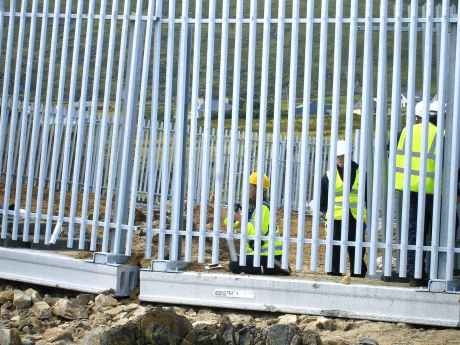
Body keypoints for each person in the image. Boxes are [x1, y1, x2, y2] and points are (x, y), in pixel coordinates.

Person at [394, 99, 439, 286]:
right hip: (431, 189)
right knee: (434, 232)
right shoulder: (438, 132)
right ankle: (432, 271)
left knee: (412, 231)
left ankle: (413, 273)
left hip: (407, 188)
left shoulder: (406, 131)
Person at [318, 140, 368, 278]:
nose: (340, 160)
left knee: (356, 246)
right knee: (335, 246)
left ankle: (358, 271)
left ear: (349, 155)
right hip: (336, 217)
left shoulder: (360, 173)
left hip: (355, 216)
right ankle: (334, 270)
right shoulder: (328, 176)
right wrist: (326, 212)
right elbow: (323, 200)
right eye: (338, 157)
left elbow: (367, 196)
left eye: (342, 156)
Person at [226, 172, 289, 275]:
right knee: (235, 260)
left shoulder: (263, 208)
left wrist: (241, 220)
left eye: (251, 187)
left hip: (269, 256)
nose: (248, 190)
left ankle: (272, 268)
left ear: (259, 190)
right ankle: (269, 268)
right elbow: (230, 226)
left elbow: (257, 241)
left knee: (234, 264)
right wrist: (233, 216)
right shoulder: (253, 207)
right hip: (259, 254)